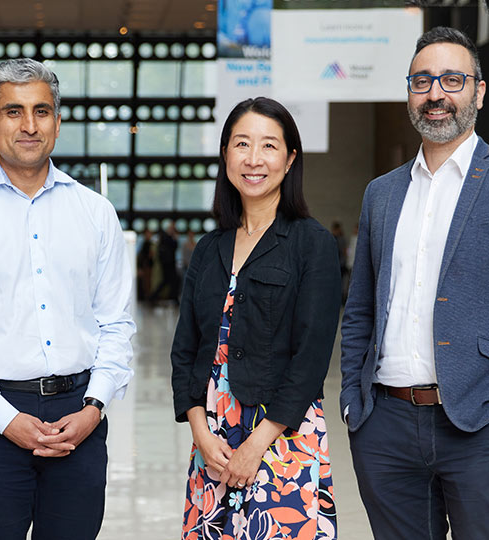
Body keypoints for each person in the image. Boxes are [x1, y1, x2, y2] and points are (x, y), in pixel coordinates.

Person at [0, 58, 135, 540]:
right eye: (13, 111)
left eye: (41, 111)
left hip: (80, 419)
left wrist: (93, 407)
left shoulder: (95, 212)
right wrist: (6, 419)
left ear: (57, 123)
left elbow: (116, 324)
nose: (29, 125)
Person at [340, 26, 489, 539]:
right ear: (409, 92)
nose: (436, 94)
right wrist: (353, 405)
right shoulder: (381, 193)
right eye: (422, 81)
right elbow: (360, 306)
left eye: (452, 79)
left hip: (476, 425)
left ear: (478, 91)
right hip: (386, 425)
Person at [171, 97, 341, 540]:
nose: (253, 159)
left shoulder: (311, 243)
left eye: (268, 146)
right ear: (226, 153)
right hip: (215, 444)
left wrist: (258, 443)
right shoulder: (209, 249)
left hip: (282, 436)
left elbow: (311, 357)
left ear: (290, 159)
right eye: (241, 144)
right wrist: (202, 436)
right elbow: (186, 350)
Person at [149, 221, 180, 304]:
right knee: (169, 281)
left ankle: (173, 298)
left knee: (169, 281)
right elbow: (173, 247)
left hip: (168, 263)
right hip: (168, 264)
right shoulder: (167, 238)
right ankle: (153, 296)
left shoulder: (166, 237)